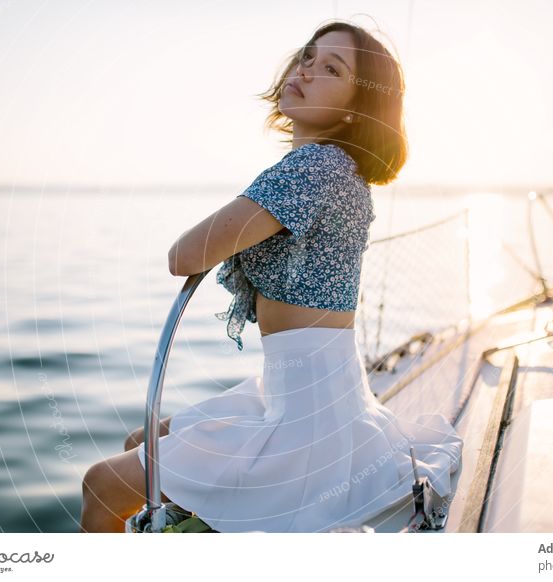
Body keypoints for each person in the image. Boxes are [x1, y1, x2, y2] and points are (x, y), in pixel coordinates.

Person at [80, 20, 463, 533]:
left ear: (355, 107)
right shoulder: (334, 166)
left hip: (305, 419)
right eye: (309, 56)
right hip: (308, 392)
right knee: (140, 443)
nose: (306, 68)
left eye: (331, 68)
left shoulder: (315, 167)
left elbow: (183, 255)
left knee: (101, 486)